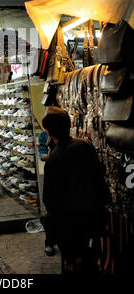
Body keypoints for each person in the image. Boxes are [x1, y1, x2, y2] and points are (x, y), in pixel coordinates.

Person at [42, 106, 110, 273]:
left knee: (72, 260)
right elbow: (99, 174)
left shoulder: (53, 159)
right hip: (91, 214)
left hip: (68, 222)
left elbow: (49, 199)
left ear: (49, 133)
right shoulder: (85, 146)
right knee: (88, 255)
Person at [38, 130, 55, 257]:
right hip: (52, 174)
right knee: (50, 210)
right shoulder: (44, 135)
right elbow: (42, 155)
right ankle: (49, 242)